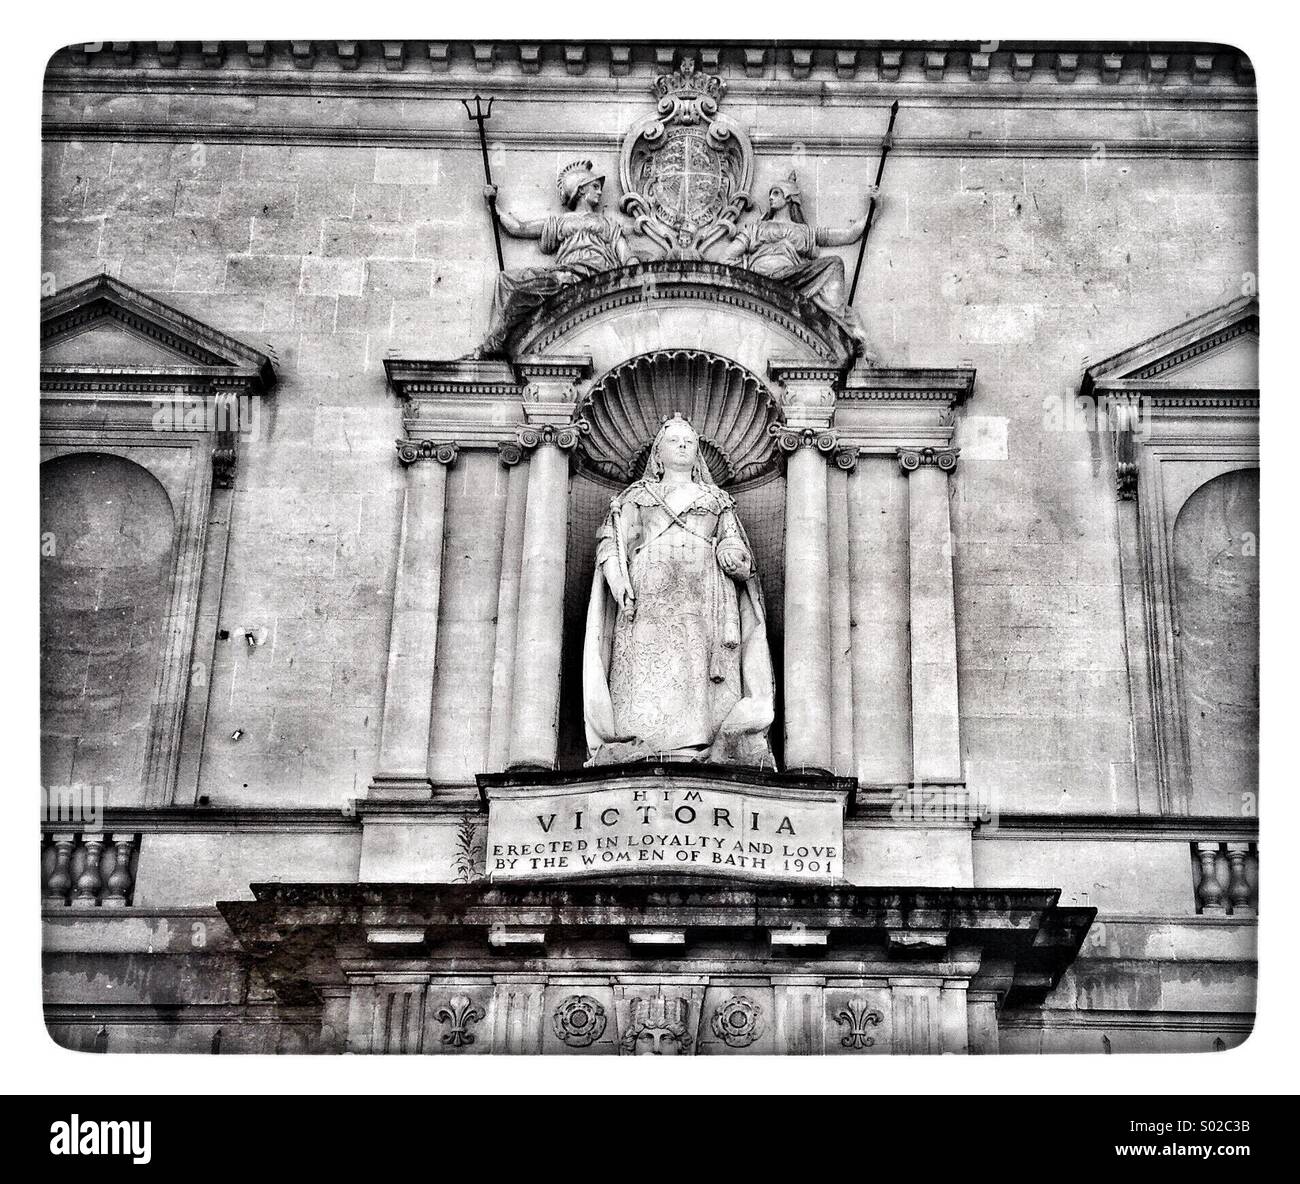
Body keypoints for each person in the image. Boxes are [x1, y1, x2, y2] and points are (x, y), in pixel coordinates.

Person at [582, 415, 775, 767]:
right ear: (659, 452)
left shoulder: (717, 499)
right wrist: (617, 581)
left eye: (689, 441)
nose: (683, 446)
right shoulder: (636, 496)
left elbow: (733, 542)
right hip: (648, 592)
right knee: (648, 666)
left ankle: (699, 745)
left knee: (696, 665)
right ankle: (640, 742)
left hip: (704, 592)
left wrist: (734, 556)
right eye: (675, 441)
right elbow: (612, 543)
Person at [471, 160, 638, 357]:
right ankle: (494, 343)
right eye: (595, 186)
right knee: (506, 281)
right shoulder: (559, 222)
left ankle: (493, 345)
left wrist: (635, 273)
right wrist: (494, 206)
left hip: (592, 275)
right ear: (580, 190)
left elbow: (627, 256)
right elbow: (519, 228)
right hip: (564, 274)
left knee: (519, 292)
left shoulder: (607, 223)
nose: (600, 192)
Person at [718, 170, 879, 359]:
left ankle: (837, 321)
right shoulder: (755, 228)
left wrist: (874, 209)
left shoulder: (805, 232)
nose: (770, 197)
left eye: (776, 193)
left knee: (834, 263)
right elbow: (725, 259)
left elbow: (849, 235)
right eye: (771, 193)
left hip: (793, 277)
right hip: (760, 277)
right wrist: (749, 270)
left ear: (788, 197)